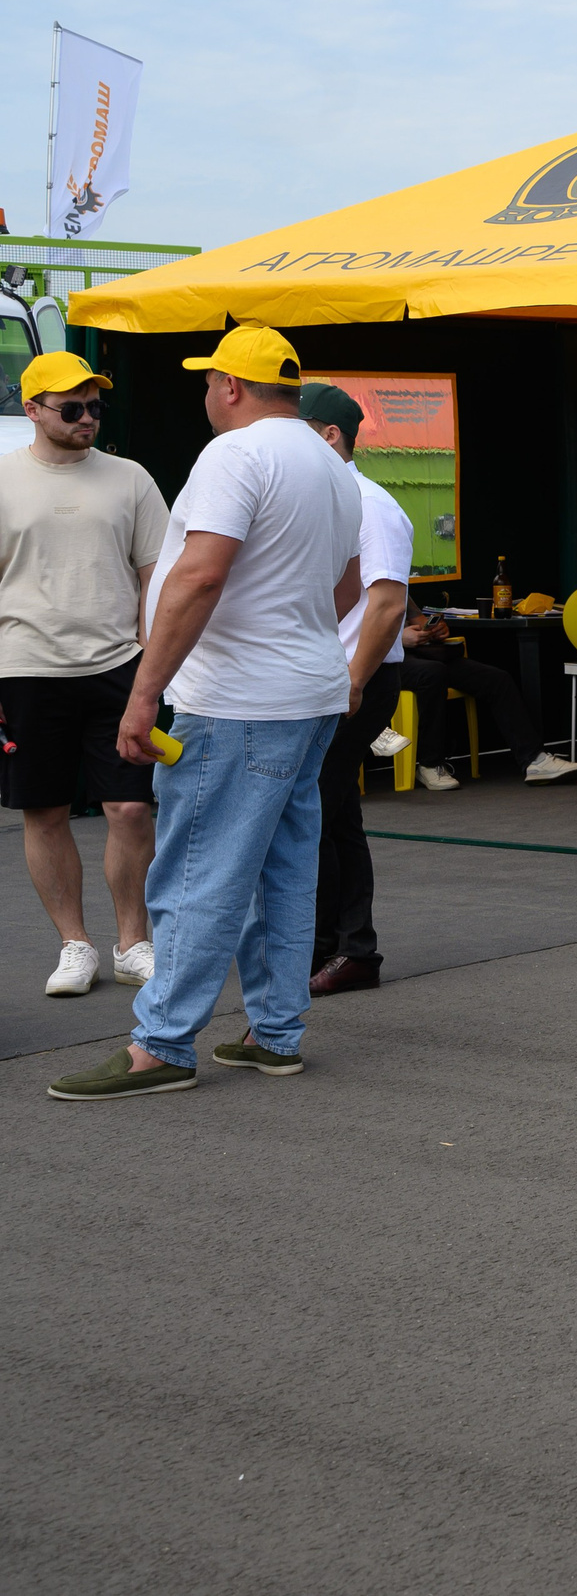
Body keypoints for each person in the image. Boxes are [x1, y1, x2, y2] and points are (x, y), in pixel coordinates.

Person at [47, 323, 361, 1100]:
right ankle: (275, 1033)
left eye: (209, 382)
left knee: (199, 868)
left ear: (231, 387)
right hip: (307, 693)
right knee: (284, 867)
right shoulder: (331, 465)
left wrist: (146, 690)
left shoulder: (236, 454)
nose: (207, 395)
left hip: (237, 700)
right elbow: (348, 589)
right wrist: (286, 628)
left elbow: (199, 576)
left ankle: (161, 1044)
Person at [0, 351, 169, 996]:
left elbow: (157, 574)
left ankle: (133, 942)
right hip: (24, 668)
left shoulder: (130, 479)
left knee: (129, 807)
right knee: (43, 811)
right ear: (34, 409)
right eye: (71, 408)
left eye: (95, 406)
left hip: (117, 665)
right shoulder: (6, 477)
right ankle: (75, 945)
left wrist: (152, 665)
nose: (87, 418)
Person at [301, 382, 409, 996]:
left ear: (330, 435)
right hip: (328, 680)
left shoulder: (371, 504)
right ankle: (347, 948)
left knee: (313, 813)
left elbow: (389, 602)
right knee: (332, 813)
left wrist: (354, 681)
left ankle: (334, 946)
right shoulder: (331, 500)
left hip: (354, 681)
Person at [396, 604, 577, 788]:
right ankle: (430, 764)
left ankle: (535, 760)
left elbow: (420, 620)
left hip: (421, 653)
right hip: (384, 661)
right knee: (433, 673)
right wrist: (398, 639)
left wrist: (434, 630)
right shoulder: (368, 586)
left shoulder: (397, 584)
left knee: (497, 679)